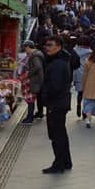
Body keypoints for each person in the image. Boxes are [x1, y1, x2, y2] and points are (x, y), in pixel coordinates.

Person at [41, 34, 73, 173]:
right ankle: (65, 161)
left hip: (56, 103)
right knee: (60, 133)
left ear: (59, 47)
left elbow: (55, 86)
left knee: (56, 134)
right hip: (61, 102)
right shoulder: (60, 61)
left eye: (50, 45)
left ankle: (59, 163)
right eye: (46, 45)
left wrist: (46, 97)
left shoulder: (57, 64)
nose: (47, 48)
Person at [20, 41, 45, 125]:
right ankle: (35, 114)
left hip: (34, 80)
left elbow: (37, 66)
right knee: (32, 98)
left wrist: (28, 74)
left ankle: (29, 118)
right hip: (37, 79)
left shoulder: (35, 56)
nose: (25, 50)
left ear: (28, 47)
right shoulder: (37, 54)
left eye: (25, 48)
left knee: (30, 99)